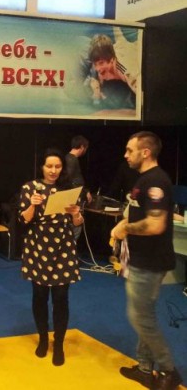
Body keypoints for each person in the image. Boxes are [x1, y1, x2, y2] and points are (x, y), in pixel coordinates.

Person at [111, 131, 182, 390]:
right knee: (144, 314)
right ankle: (144, 367)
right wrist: (123, 226)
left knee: (141, 317)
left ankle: (168, 370)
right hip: (142, 258)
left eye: (130, 150)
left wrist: (125, 229)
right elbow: (141, 214)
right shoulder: (144, 179)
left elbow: (155, 224)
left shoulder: (156, 181)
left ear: (146, 152)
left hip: (150, 261)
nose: (125, 155)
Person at [18, 147, 83, 366]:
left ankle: (59, 343)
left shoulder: (68, 188)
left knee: (61, 297)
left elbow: (78, 222)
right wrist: (33, 205)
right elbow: (23, 220)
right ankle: (43, 338)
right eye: (49, 166)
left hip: (63, 246)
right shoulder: (30, 188)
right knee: (39, 295)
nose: (53, 170)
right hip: (38, 245)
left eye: (57, 166)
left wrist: (76, 214)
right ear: (42, 167)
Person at [86, 31, 137, 111]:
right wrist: (96, 95)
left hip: (131, 57)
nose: (98, 68)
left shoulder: (124, 69)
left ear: (112, 60)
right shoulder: (96, 69)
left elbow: (138, 88)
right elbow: (95, 93)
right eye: (95, 64)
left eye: (101, 63)